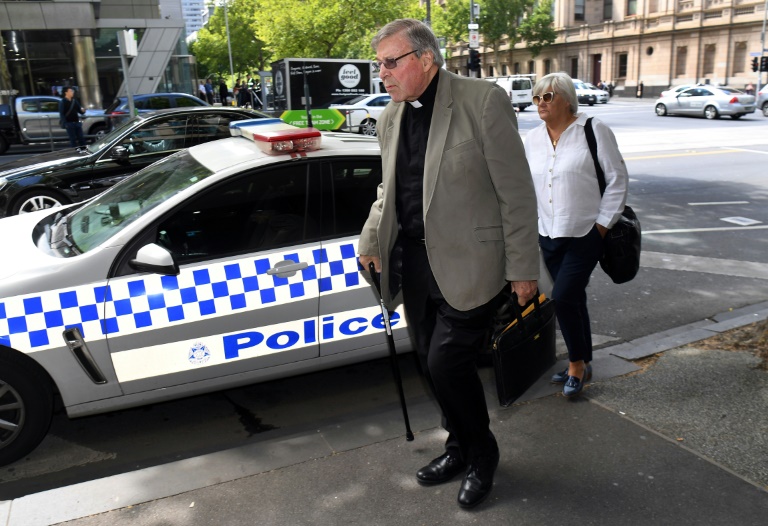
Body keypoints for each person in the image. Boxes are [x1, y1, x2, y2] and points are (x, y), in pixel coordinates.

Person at [357, 19, 539, 509]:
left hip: (472, 264)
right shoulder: (389, 118)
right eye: (379, 65)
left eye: (391, 62)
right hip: (414, 263)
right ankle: (458, 447)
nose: (383, 74)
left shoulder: (482, 101)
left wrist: (523, 269)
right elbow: (388, 190)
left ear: (426, 59)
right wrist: (371, 239)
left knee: (446, 363)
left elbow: (516, 193)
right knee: (430, 364)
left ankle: (482, 454)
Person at [523, 72, 628, 398]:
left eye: (548, 96)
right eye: (537, 97)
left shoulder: (593, 130)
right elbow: (526, 186)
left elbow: (617, 179)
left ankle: (576, 365)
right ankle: (585, 359)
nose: (540, 103)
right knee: (573, 298)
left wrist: (601, 227)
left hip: (585, 233)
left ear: (567, 100)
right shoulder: (532, 138)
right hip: (547, 233)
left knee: (564, 295)